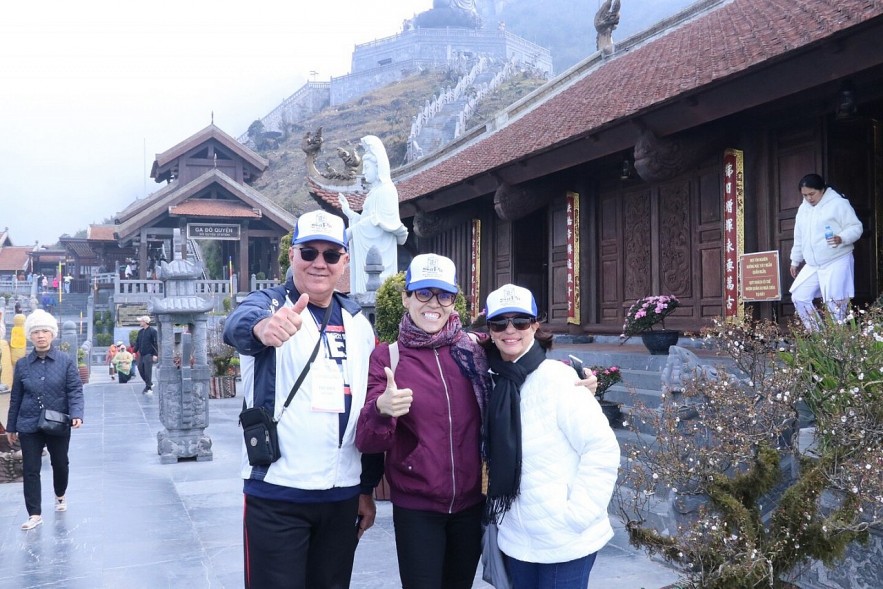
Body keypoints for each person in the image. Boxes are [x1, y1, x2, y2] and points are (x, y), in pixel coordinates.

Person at [223, 209, 383, 589]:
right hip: (278, 493)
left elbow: (365, 407)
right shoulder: (269, 304)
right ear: (291, 255)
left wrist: (364, 488)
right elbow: (237, 324)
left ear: (345, 261)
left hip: (340, 494)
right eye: (308, 252)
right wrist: (263, 328)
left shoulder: (359, 323)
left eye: (331, 254)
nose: (319, 263)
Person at [356, 254, 490, 588]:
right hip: (417, 506)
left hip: (471, 504)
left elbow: (522, 353)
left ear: (454, 300)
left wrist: (572, 375)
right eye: (423, 293)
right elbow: (368, 442)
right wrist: (380, 409)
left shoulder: (473, 350)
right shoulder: (388, 357)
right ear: (406, 297)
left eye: (444, 295)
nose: (434, 304)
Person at [482, 284, 620, 589]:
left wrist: (577, 515)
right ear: (489, 330)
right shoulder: (490, 380)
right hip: (515, 535)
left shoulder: (558, 379)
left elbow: (602, 447)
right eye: (499, 323)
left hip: (564, 537)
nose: (510, 330)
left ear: (534, 325)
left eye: (520, 321)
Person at [5, 309, 84, 530]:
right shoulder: (22, 364)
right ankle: (34, 514)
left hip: (57, 421)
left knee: (60, 463)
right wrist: (11, 426)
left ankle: (60, 494)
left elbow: (75, 390)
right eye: (36, 332)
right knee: (30, 468)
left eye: (45, 331)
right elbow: (16, 397)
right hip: (29, 422)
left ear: (52, 334)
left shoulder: (65, 361)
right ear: (30, 336)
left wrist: (76, 414)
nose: (41, 336)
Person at [789, 173, 863, 330]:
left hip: (836, 259)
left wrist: (841, 238)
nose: (809, 198)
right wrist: (795, 261)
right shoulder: (803, 209)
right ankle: (820, 338)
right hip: (813, 263)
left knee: (834, 304)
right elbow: (799, 236)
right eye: (805, 195)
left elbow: (856, 227)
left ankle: (837, 345)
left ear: (822, 189)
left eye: (812, 194)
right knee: (799, 296)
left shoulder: (838, 203)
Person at [338, 135, 409, 294]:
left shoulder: (387, 190)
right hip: (369, 249)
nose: (363, 171)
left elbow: (380, 221)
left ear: (378, 168)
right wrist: (349, 212)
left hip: (380, 252)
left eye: (367, 167)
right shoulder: (374, 192)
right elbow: (366, 220)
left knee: (378, 290)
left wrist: (350, 232)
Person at [133, 315, 158, 395]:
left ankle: (148, 388)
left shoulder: (153, 331)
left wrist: (155, 354)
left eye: (141, 321)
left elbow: (156, 343)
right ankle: (149, 383)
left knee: (148, 371)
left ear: (145, 322)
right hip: (142, 354)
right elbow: (137, 343)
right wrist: (134, 351)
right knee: (140, 369)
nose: (140, 322)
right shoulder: (140, 332)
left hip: (149, 354)